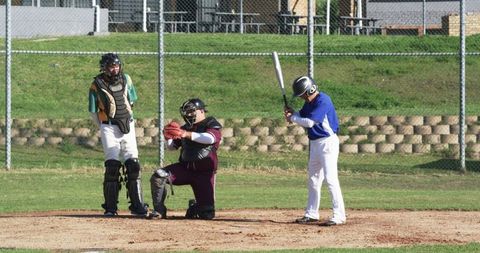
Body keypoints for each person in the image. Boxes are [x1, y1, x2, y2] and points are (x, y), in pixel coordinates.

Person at [88, 53, 149, 217]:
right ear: (104, 68)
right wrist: (103, 125)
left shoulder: (127, 79)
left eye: (116, 66)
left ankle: (137, 205)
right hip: (108, 127)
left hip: (127, 125)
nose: (114, 69)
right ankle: (110, 207)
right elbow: (93, 111)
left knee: (133, 164)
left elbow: (132, 100)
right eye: (110, 66)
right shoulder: (96, 84)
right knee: (112, 166)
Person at [284, 76, 346, 226]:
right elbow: (302, 116)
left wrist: (292, 118)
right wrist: (292, 114)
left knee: (331, 179)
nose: (301, 98)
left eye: (302, 95)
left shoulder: (323, 100)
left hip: (327, 143)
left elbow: (310, 122)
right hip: (315, 144)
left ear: (308, 91)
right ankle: (312, 213)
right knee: (313, 179)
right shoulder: (309, 103)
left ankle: (339, 215)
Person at [149, 98, 222, 220]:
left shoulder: (210, 123)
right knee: (159, 176)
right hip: (185, 169)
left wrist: (186, 134)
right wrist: (168, 137)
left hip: (204, 173)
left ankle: (195, 206)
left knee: (207, 214)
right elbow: (172, 147)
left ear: (202, 111)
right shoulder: (185, 128)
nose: (188, 115)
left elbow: (211, 138)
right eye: (186, 112)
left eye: (191, 111)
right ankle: (159, 209)